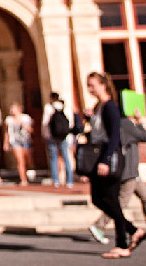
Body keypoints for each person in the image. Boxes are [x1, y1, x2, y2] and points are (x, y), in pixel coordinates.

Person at [85, 71, 144, 259]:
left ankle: (123, 243)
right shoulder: (98, 107)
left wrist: (105, 160)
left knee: (111, 199)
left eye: (92, 85)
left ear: (103, 85)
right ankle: (133, 230)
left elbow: (114, 137)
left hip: (108, 159)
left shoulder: (110, 106)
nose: (89, 89)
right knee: (98, 199)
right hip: (98, 157)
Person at [93, 109, 146, 246]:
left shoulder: (116, 125)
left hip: (131, 172)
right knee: (120, 203)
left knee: (145, 197)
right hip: (128, 173)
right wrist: (139, 121)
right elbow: (144, 136)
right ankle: (99, 225)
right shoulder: (126, 124)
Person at [43, 91, 76, 187]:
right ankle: (69, 180)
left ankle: (56, 180)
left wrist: (45, 135)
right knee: (66, 157)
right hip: (64, 136)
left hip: (52, 136)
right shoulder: (66, 107)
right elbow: (71, 123)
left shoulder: (48, 107)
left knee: (54, 157)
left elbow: (45, 123)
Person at [3, 102, 33, 185]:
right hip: (15, 141)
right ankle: (23, 179)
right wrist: (6, 143)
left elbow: (31, 130)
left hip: (25, 140)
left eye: (14, 109)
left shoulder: (26, 118)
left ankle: (25, 173)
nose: (12, 111)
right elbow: (6, 132)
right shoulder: (9, 120)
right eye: (11, 109)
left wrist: (25, 127)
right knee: (20, 160)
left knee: (28, 161)